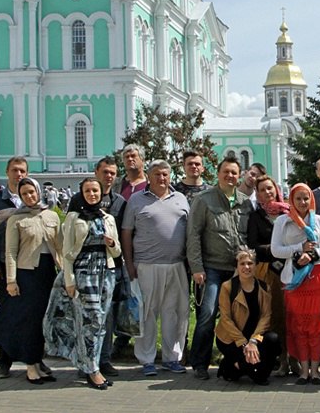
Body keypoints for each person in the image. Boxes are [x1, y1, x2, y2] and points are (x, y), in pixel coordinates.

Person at [0, 177, 61, 384]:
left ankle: (38, 361)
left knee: (43, 319)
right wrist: (11, 280)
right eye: (25, 194)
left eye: (32, 192)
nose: (30, 196)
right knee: (29, 321)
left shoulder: (51, 215)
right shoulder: (17, 218)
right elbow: (11, 253)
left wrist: (65, 272)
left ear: (39, 191)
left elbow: (60, 247)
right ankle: (31, 366)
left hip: (47, 273)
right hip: (27, 274)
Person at [44, 177, 121, 390]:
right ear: (82, 194)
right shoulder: (74, 218)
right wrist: (69, 280)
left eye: (95, 191)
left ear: (101, 193)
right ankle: (92, 370)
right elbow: (67, 253)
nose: (92, 194)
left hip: (105, 274)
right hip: (84, 273)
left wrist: (112, 243)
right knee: (90, 321)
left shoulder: (107, 218)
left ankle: (90, 364)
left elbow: (117, 252)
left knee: (101, 323)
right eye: (88, 191)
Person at [121, 159, 190, 377]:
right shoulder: (136, 200)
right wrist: (129, 264)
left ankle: (172, 358)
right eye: (157, 174)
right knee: (146, 313)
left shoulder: (180, 198)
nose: (162, 178)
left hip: (176, 265)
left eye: (165, 174)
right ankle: (147, 359)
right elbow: (126, 233)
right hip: (146, 266)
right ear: (149, 177)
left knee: (174, 314)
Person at [0, 157, 41, 379]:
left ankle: (35, 359)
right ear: (7, 172)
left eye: (23, 170)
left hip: (31, 266)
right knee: (7, 312)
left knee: (32, 314)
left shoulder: (34, 201)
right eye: (15, 170)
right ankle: (5, 361)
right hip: (6, 265)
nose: (19, 174)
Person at [187, 156, 251, 380]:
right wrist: (196, 267)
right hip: (212, 268)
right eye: (226, 172)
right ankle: (199, 363)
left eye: (234, 172)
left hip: (238, 270)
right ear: (218, 173)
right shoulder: (204, 200)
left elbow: (249, 236)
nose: (230, 176)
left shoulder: (245, 202)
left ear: (239, 175)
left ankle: (237, 362)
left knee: (241, 316)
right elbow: (193, 234)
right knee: (208, 314)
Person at [270, 183, 320, 385]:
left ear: (311, 200)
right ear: (291, 199)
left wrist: (313, 254)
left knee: (317, 325)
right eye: (298, 198)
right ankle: (303, 369)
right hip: (295, 277)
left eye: (306, 198)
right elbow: (276, 250)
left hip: (319, 276)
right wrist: (299, 249)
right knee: (298, 324)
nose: (302, 202)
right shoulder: (283, 221)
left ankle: (315, 370)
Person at [245, 175, 290, 376]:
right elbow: (253, 245)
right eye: (262, 190)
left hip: (291, 271)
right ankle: (274, 359)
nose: (267, 192)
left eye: (270, 188)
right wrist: (277, 250)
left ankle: (291, 359)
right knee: (271, 316)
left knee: (290, 316)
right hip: (268, 271)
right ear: (258, 194)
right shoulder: (256, 217)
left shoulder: (289, 212)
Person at [215, 246, 280, 384]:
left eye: (250, 263)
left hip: (253, 338)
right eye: (242, 264)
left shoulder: (264, 287)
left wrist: (253, 341)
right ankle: (232, 366)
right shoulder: (227, 287)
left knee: (273, 340)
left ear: (256, 265)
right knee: (235, 375)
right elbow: (225, 319)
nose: (246, 267)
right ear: (237, 266)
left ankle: (241, 366)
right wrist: (243, 343)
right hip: (231, 338)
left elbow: (265, 317)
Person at [93, 156, 127, 376]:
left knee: (108, 316)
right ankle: (87, 359)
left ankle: (104, 359)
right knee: (88, 315)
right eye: (105, 172)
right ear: (97, 172)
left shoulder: (119, 202)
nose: (108, 177)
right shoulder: (82, 199)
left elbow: (124, 236)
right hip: (87, 267)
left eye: (113, 173)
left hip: (112, 266)